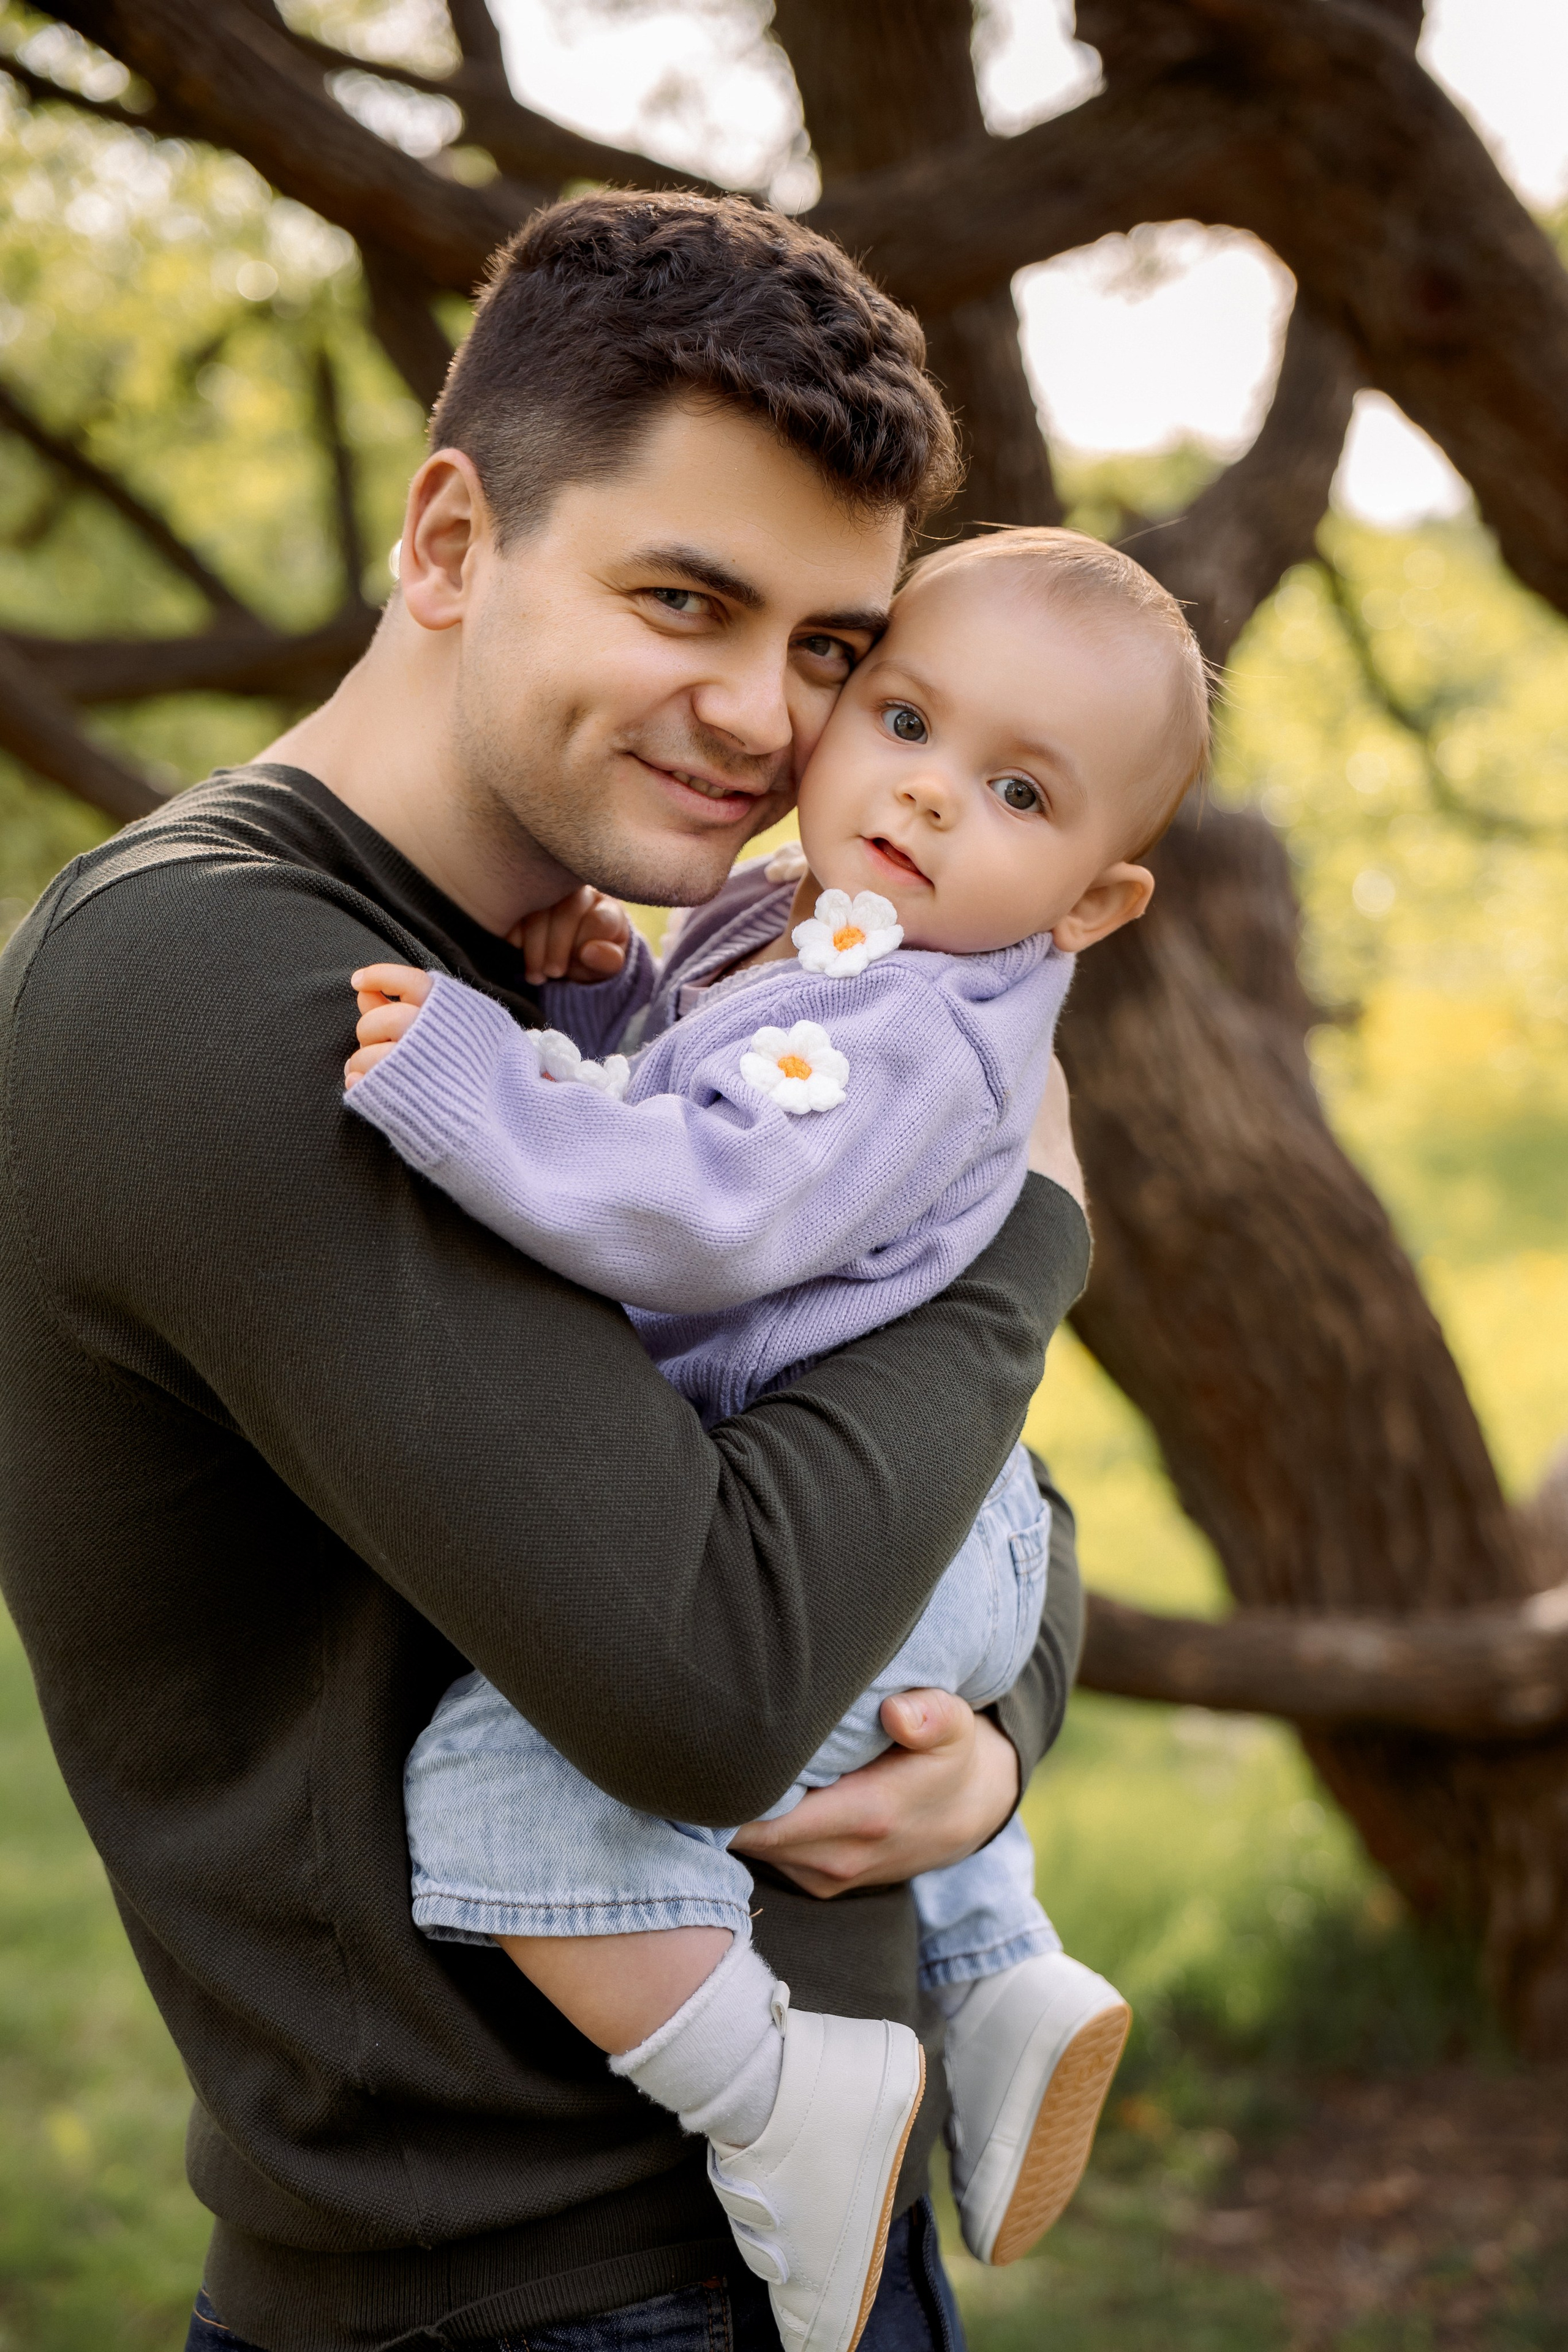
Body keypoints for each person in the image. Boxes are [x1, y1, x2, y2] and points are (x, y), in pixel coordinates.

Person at [0, 194, 1092, 2352]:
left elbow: (986, 1521)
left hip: (789, 2245)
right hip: (515, 2290)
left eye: (830, 652)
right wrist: (1034, 1222)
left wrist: (1006, 1724)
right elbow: (710, 1673)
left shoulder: (646, 998)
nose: (767, 721)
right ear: (446, 543)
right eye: (683, 597)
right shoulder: (222, 984)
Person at [340, 528, 1204, 2352]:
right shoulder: (834, 931)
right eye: (901, 715)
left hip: (887, 1538)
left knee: (503, 1791)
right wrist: (601, 1004)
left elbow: (716, 1209)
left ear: (1094, 903)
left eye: (1019, 790)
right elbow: (716, 1082)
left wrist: (478, 1077)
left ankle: (776, 2096)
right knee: (886, 1753)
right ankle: (998, 1977)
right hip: (956, 1520)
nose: (929, 795)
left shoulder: (910, 1018)